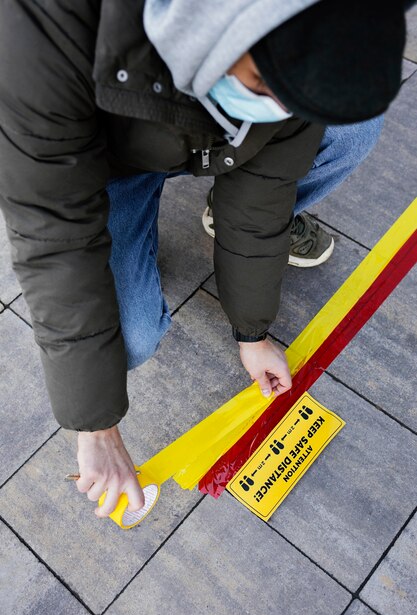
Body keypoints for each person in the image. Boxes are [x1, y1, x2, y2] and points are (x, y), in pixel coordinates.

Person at [0, 0, 407, 518]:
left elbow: (260, 200)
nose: (276, 110)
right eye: (261, 83)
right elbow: (55, 236)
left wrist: (252, 333)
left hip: (202, 137)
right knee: (131, 337)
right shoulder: (45, 26)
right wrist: (95, 425)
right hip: (101, 162)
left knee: (350, 128)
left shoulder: (303, 61)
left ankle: (210, 196)